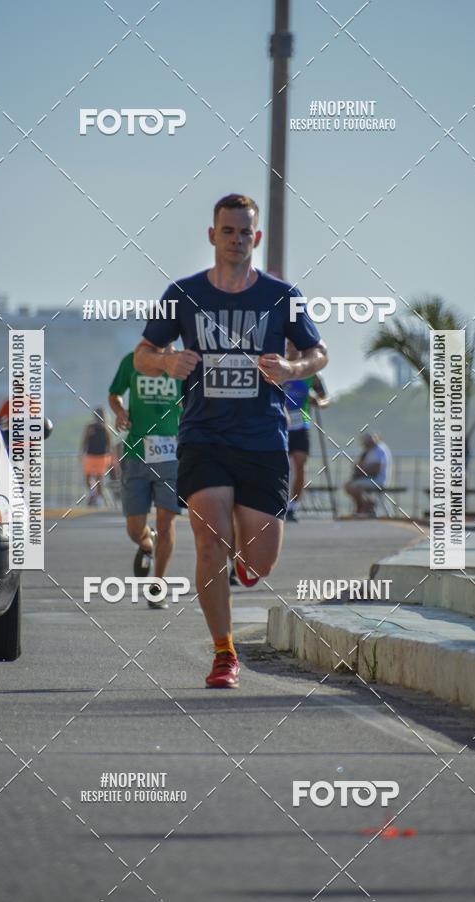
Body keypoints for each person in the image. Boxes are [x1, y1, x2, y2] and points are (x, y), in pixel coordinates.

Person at [134, 193, 328, 688]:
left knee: (259, 563)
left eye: (245, 232)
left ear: (256, 238)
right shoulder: (183, 294)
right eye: (228, 231)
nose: (237, 240)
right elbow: (143, 353)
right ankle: (224, 653)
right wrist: (166, 361)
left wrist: (291, 368)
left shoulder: (282, 296)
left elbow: (318, 353)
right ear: (212, 235)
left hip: (263, 439)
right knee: (208, 543)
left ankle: (244, 565)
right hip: (204, 436)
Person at [108, 352, 182, 609]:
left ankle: (157, 586)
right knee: (133, 529)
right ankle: (147, 542)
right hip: (136, 454)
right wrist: (119, 411)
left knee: (167, 520)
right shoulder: (133, 360)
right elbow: (114, 393)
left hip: (172, 456)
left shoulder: (183, 363)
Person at [283, 340, 329, 522]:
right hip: (280, 424)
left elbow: (325, 399)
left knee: (300, 464)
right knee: (281, 466)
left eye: (296, 345)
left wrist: (317, 401)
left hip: (303, 423)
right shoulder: (279, 367)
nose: (293, 348)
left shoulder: (310, 373)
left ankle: (293, 506)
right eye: (290, 345)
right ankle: (277, 503)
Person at [344, 432, 392, 515]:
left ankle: (364, 507)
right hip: (369, 478)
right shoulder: (369, 451)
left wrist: (362, 470)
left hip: (377, 480)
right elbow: (358, 465)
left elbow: (376, 470)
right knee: (349, 485)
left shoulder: (379, 450)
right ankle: (366, 505)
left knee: (352, 487)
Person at [81, 408, 112, 507]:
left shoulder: (106, 428)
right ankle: (93, 493)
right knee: (87, 478)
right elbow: (84, 440)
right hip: (90, 455)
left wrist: (112, 458)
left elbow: (110, 444)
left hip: (102, 457)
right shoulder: (90, 427)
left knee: (99, 480)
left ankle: (98, 501)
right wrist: (82, 452)